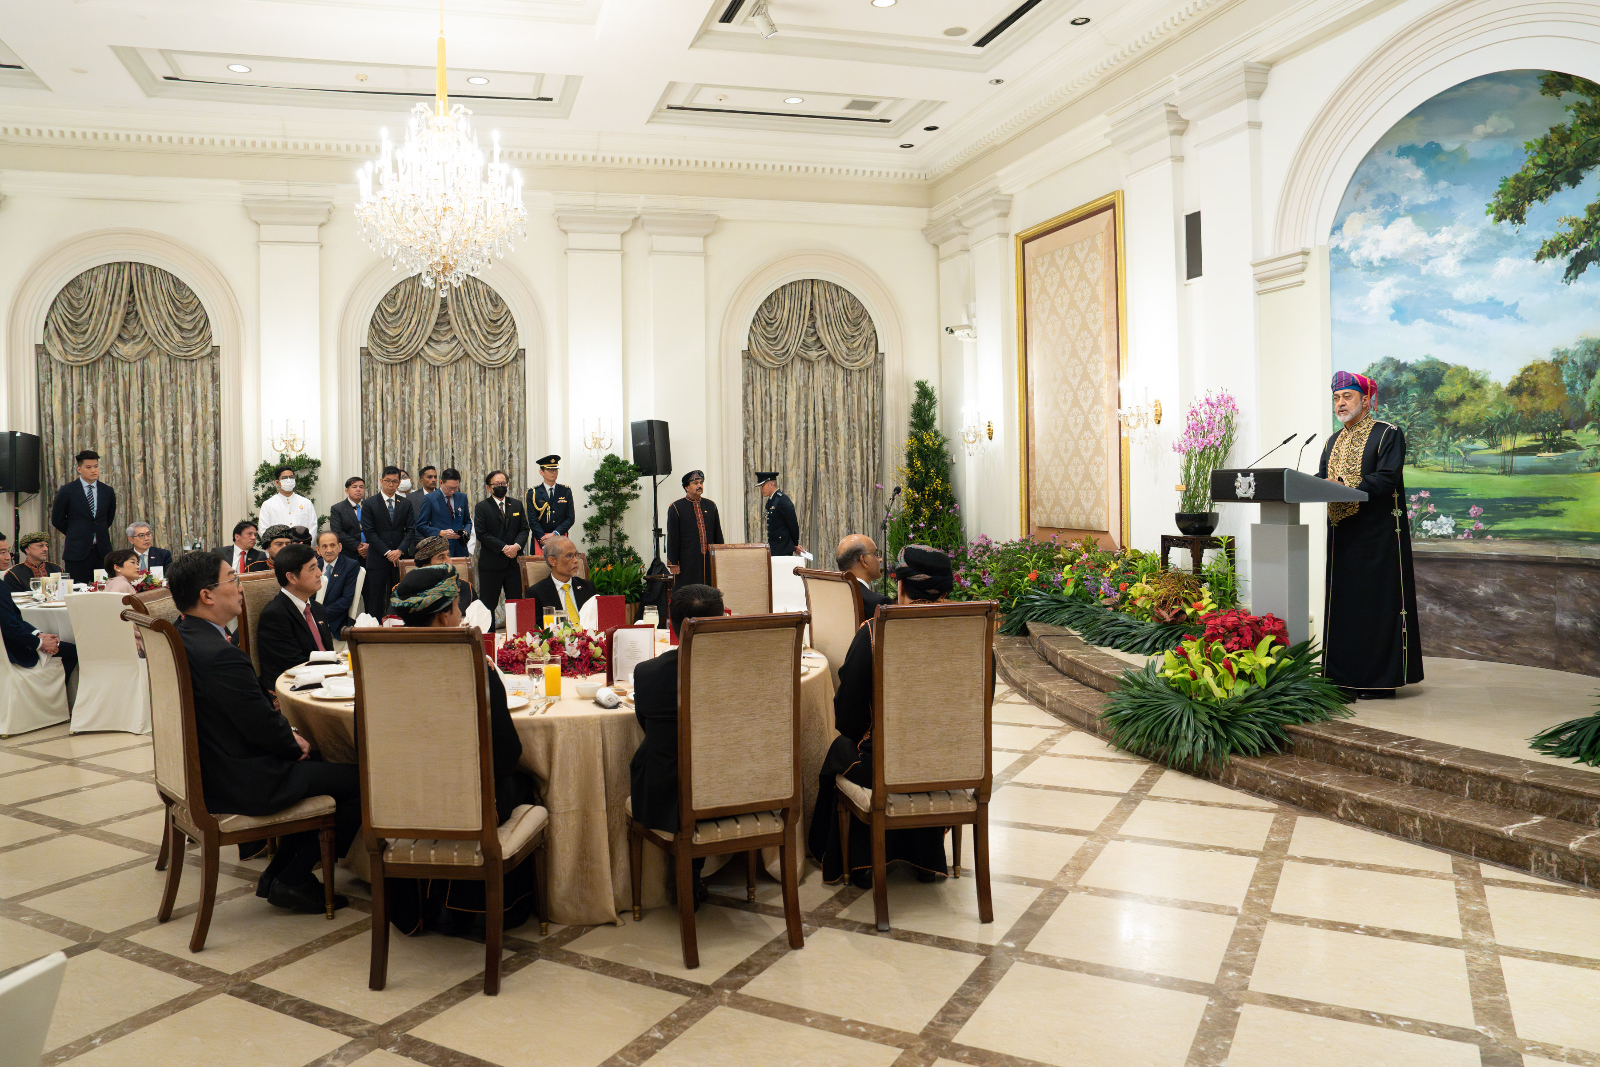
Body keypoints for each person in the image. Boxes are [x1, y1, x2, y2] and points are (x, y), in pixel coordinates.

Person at [165, 551, 359, 913]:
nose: (240, 587)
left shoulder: (184, 634)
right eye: (232, 579)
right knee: (361, 781)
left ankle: (278, 875)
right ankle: (295, 877)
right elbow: (258, 724)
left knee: (323, 765)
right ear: (207, 595)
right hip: (240, 778)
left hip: (213, 765)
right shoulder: (219, 654)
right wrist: (293, 741)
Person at [381, 565, 540, 936]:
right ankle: (480, 907)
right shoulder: (474, 671)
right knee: (524, 783)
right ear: (441, 618)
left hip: (398, 802)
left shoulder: (379, 666)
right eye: (457, 608)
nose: (462, 616)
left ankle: (425, 902)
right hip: (470, 806)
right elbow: (506, 755)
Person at [809, 545, 958, 888]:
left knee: (839, 752)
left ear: (901, 588)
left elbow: (847, 718)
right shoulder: (976, 636)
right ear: (948, 590)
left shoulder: (875, 634)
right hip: (951, 765)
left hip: (887, 767)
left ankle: (856, 864)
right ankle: (926, 858)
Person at [1318, 371, 1425, 698]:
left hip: (1377, 539)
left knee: (1373, 607)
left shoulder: (1388, 434)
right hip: (1341, 538)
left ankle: (1378, 682)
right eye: (1336, 398)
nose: (1340, 403)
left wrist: (1347, 488)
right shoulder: (1331, 441)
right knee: (1345, 608)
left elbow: (1387, 478)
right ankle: (1341, 678)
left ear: (1366, 400)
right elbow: (1320, 478)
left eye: (1347, 397)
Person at [628, 583, 727, 910]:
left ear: (671, 625)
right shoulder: (746, 668)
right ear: (721, 619)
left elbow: (647, 728)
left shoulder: (648, 674)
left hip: (672, 794)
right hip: (740, 785)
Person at [254, 544, 335, 697]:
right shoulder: (275, 615)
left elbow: (327, 652)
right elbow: (295, 667)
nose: (319, 573)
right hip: (295, 691)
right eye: (312, 569)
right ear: (291, 577)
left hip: (324, 682)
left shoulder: (317, 608)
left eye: (318, 567)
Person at [0, 532, 77, 681]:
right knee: (73, 651)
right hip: (12, 652)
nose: (8, 557)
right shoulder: (12, 575)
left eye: (8, 551)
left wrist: (37, 634)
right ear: (27, 549)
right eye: (2, 553)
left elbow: (13, 620)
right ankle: (52, 696)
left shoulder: (55, 568)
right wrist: (40, 643)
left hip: (19, 637)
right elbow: (9, 627)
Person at [51, 449, 117, 585]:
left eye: (96, 466)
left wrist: (97, 530)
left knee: (104, 589)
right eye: (89, 467)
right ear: (79, 469)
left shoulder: (107, 491)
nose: (94, 470)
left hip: (102, 552)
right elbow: (57, 519)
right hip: (77, 552)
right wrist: (76, 532)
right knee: (78, 591)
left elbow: (108, 518)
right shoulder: (68, 491)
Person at [362, 466, 417, 618]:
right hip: (377, 559)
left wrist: (399, 551)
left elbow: (410, 530)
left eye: (394, 481)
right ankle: (375, 632)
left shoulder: (405, 503)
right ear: (381, 481)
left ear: (399, 483)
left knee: (399, 598)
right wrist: (387, 552)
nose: (391, 485)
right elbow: (369, 532)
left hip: (399, 559)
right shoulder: (369, 503)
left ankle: (398, 630)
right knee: (376, 600)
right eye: (388, 481)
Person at [474, 469, 527, 614]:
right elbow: (482, 533)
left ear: (508, 485)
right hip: (491, 564)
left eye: (503, 483)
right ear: (489, 487)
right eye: (496, 484)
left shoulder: (516, 505)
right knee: (487, 606)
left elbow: (524, 529)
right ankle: (488, 636)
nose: (501, 486)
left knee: (516, 604)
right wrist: (504, 548)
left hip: (514, 564)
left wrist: (515, 547)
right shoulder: (482, 507)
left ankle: (516, 636)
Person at [665, 471, 724, 588]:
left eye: (701, 483)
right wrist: (673, 563)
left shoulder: (711, 506)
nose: (699, 486)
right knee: (687, 593)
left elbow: (718, 534)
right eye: (695, 483)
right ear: (687, 487)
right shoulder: (676, 507)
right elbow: (673, 537)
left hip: (708, 561)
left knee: (709, 591)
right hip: (686, 561)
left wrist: (721, 557)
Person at [527, 537, 595, 623]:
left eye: (576, 555)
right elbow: (536, 630)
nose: (576, 560)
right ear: (552, 561)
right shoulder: (536, 593)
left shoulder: (588, 587)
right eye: (569, 555)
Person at [416, 467, 472, 558]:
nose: (452, 491)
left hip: (460, 549)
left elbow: (468, 521)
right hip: (440, 549)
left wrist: (466, 531)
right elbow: (420, 526)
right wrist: (439, 532)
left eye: (456, 487)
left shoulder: (462, 497)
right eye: (449, 488)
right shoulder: (430, 498)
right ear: (441, 482)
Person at [411, 536, 476, 613]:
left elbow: (479, 622)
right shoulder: (406, 591)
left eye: (448, 556)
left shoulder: (465, 589)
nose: (450, 562)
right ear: (425, 566)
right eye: (441, 558)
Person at [315, 531, 360, 637]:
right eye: (324, 546)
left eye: (332, 545)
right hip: (313, 617)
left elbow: (346, 599)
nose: (329, 550)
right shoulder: (315, 565)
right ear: (318, 550)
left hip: (336, 620)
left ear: (340, 547)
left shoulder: (350, 565)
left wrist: (320, 615)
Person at [526, 455, 574, 551]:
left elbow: (570, 518)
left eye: (555, 470)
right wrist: (543, 538)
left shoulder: (565, 491)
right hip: (540, 540)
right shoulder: (533, 493)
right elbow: (532, 520)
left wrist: (555, 534)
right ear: (541, 472)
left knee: (561, 565)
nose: (553, 472)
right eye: (549, 470)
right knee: (539, 566)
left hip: (560, 537)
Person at [837, 534, 890, 614]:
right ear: (864, 560)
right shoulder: (878, 604)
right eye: (875, 554)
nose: (880, 559)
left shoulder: (829, 595)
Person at [756, 471, 804, 559]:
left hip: (783, 549)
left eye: (762, 486)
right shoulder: (771, 501)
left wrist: (794, 545)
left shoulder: (782, 501)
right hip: (775, 548)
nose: (761, 489)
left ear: (771, 484)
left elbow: (793, 526)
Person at [257, 465, 317, 533]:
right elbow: (263, 530)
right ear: (277, 482)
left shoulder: (306, 503)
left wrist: (305, 542)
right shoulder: (268, 505)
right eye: (284, 478)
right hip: (278, 543)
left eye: (291, 477)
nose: (289, 480)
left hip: (302, 543)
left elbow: (313, 527)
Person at [329, 477, 368, 565]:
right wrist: (357, 546)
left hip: (370, 553)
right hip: (349, 554)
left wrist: (369, 546)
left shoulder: (370, 506)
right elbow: (337, 531)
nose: (358, 489)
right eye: (354, 487)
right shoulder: (337, 508)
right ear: (347, 490)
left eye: (361, 487)